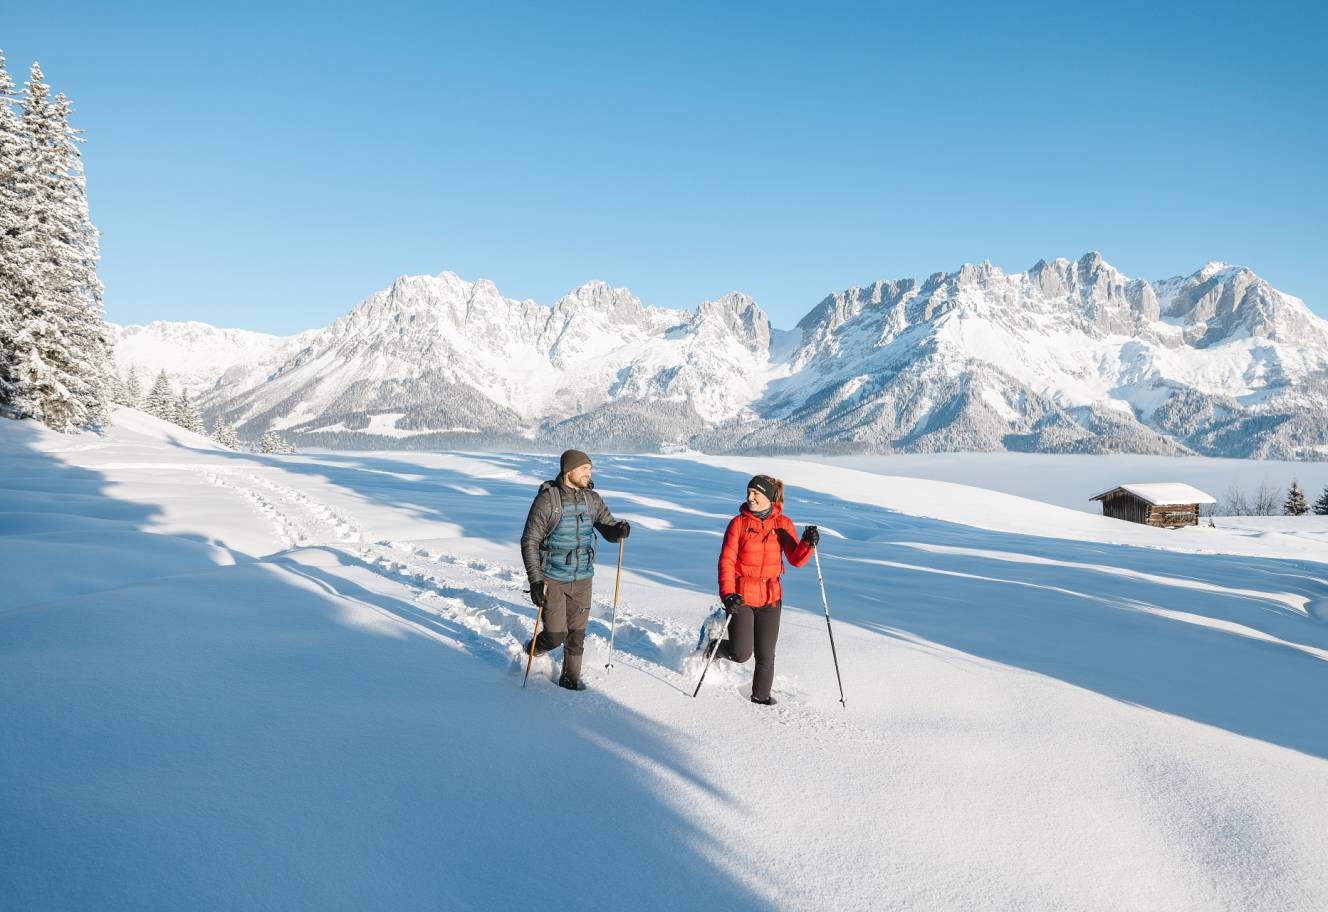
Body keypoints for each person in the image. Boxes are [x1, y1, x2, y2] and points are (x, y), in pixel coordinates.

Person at [520, 449, 630, 690]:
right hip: (553, 578)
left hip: (582, 577)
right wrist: (536, 581)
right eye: (584, 468)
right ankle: (533, 649)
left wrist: (617, 531)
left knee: (576, 636)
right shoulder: (548, 500)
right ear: (569, 470)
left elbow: (606, 525)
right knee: (556, 635)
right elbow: (529, 540)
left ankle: (570, 684)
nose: (588, 473)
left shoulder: (592, 499)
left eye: (590, 469)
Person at [713, 474, 818, 705]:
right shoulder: (738, 524)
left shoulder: (782, 524)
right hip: (741, 598)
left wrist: (808, 543)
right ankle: (715, 648)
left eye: (755, 493)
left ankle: (761, 700)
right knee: (741, 653)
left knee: (766, 656)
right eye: (748, 492)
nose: (749, 497)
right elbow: (726, 562)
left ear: (769, 498)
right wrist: (728, 594)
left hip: (771, 598)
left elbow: (795, 559)